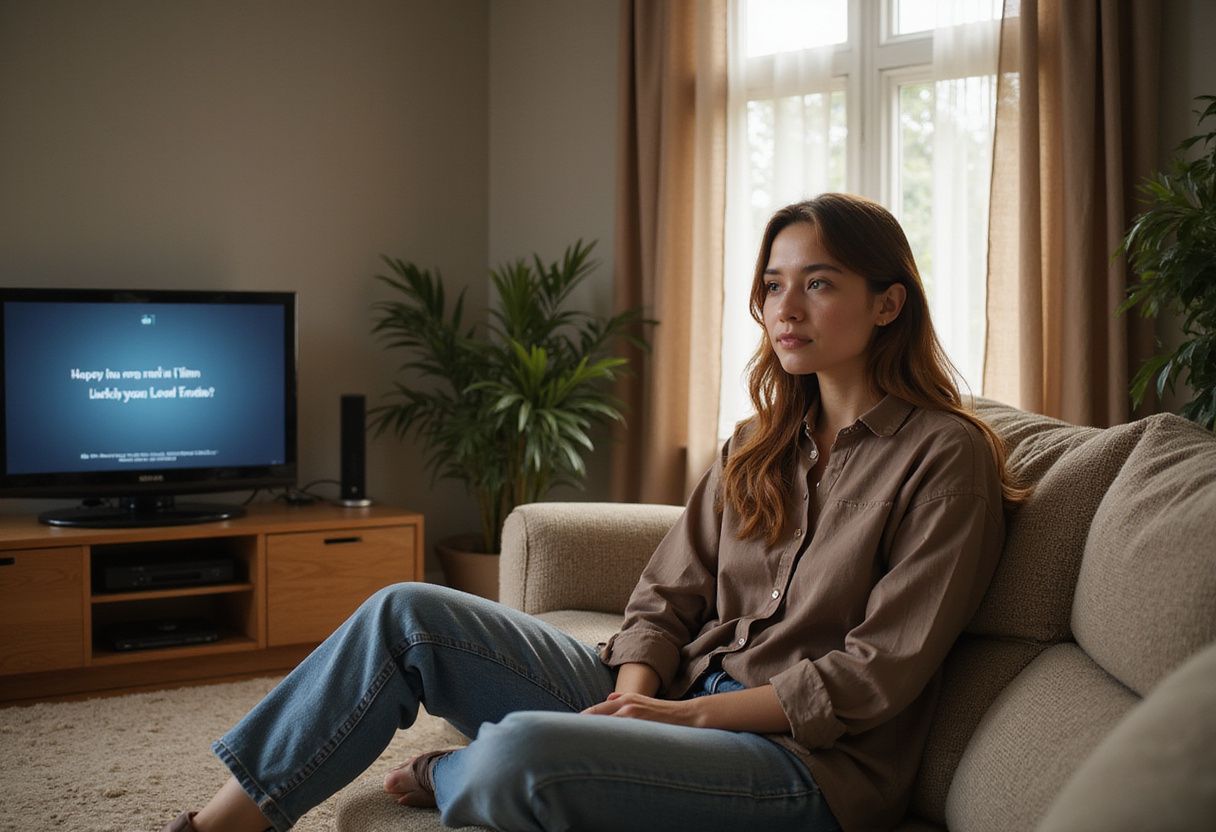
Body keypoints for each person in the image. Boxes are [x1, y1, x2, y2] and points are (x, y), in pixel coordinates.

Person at [162, 193, 1022, 832]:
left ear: (887, 301)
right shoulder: (756, 441)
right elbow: (664, 597)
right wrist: (635, 696)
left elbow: (876, 672)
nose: (783, 311)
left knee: (519, 757)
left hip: (801, 767)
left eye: (819, 284)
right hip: (676, 694)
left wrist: (682, 719)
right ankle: (211, 831)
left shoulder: (947, 456)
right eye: (771, 285)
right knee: (406, 613)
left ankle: (467, 772)